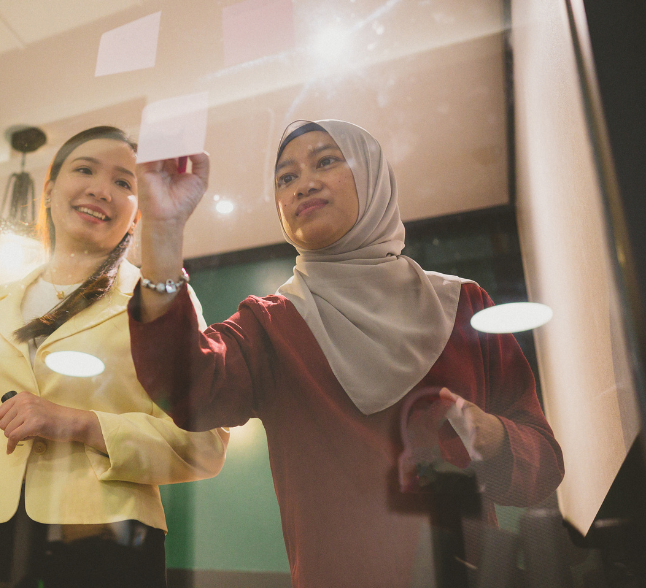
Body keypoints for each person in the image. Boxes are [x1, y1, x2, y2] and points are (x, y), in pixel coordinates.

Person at [128, 120, 565, 587]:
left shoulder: (462, 305)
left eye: (326, 161)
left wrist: (492, 434)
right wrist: (163, 232)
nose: (305, 183)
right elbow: (187, 389)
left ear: (373, 177)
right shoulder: (272, 325)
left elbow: (541, 471)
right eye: (286, 177)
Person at [0, 126, 229, 588]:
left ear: (137, 213)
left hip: (107, 539)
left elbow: (202, 445)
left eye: (124, 182)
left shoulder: (158, 301)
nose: (100, 189)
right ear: (48, 190)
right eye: (84, 170)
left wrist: (79, 423)